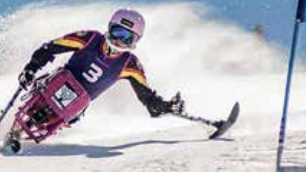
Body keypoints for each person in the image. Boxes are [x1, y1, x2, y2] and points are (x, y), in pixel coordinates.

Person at [18, 8, 185, 121]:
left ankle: (33, 128)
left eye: (127, 38)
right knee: (55, 92)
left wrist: (165, 107)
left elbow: (147, 97)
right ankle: (16, 123)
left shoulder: (129, 64)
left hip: (74, 107)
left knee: (68, 106)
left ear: (135, 40)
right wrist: (31, 68)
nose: (119, 40)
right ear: (109, 28)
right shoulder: (90, 39)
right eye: (117, 32)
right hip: (54, 86)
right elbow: (51, 47)